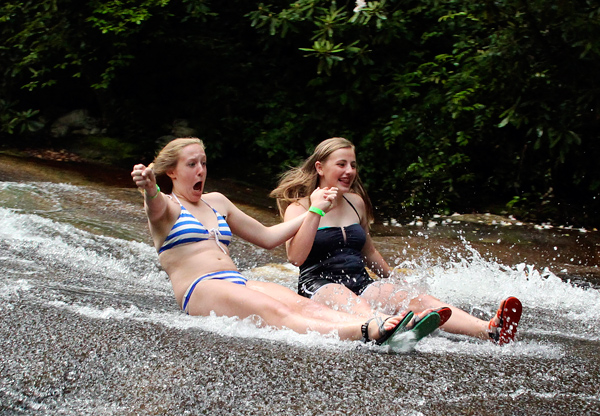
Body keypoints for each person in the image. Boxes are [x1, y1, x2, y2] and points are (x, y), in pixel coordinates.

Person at [131, 137, 444, 349]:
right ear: (171, 171)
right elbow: (154, 205)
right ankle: (367, 331)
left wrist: (315, 210)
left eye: (204, 162)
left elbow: (268, 237)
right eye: (191, 165)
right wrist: (148, 187)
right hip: (200, 287)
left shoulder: (216, 201)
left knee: (302, 305)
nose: (201, 170)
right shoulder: (167, 207)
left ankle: (380, 324)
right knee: (274, 312)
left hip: (234, 281)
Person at [271, 137, 522, 345]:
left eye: (353, 165)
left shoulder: (355, 202)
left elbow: (368, 251)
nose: (350, 171)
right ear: (320, 168)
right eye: (342, 164)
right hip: (320, 286)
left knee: (416, 298)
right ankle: (386, 326)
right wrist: (316, 211)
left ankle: (490, 330)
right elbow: (296, 258)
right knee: (349, 299)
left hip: (360, 281)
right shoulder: (299, 208)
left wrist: (393, 279)